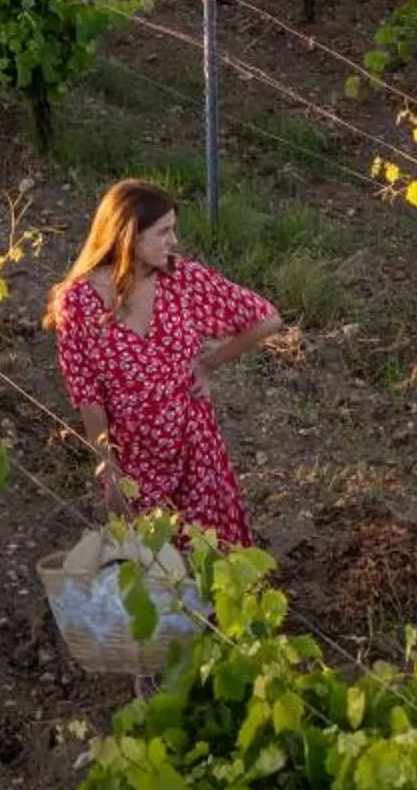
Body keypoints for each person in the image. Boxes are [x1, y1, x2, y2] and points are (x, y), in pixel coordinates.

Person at [47, 180, 282, 548]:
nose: (174, 241)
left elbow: (266, 319)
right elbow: (86, 393)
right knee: (152, 562)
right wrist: (109, 471)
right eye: (163, 232)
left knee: (211, 555)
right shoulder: (78, 303)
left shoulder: (181, 279)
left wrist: (207, 365)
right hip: (135, 457)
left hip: (194, 444)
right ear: (128, 236)